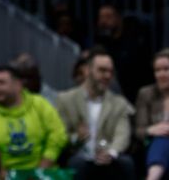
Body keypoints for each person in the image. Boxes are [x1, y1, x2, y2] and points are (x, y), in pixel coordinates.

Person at [55, 48, 136, 179]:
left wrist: (111, 152)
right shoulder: (65, 99)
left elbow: (123, 134)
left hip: (108, 157)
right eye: (102, 70)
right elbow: (59, 134)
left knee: (126, 163)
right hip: (79, 156)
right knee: (77, 164)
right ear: (87, 70)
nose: (108, 76)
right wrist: (76, 138)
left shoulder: (119, 103)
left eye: (110, 72)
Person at [0, 65, 67, 177]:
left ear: (18, 85)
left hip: (44, 171)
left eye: (1, 83)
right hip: (4, 175)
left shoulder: (39, 104)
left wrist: (42, 168)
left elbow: (58, 135)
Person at [136, 48, 169, 180]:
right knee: (162, 139)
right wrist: (152, 129)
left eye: (166, 69)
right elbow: (138, 130)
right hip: (153, 146)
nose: (161, 74)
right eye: (157, 70)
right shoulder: (146, 94)